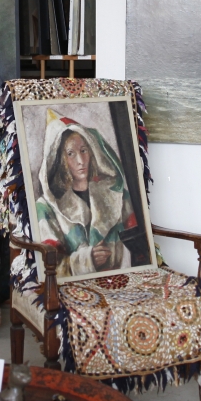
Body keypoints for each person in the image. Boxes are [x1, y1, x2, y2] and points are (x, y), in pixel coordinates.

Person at [33, 109, 141, 278]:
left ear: (92, 151)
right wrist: (86, 260)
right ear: (60, 159)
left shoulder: (117, 194)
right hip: (75, 288)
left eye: (83, 150)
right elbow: (50, 266)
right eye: (71, 154)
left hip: (121, 280)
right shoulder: (45, 207)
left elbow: (139, 248)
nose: (80, 161)